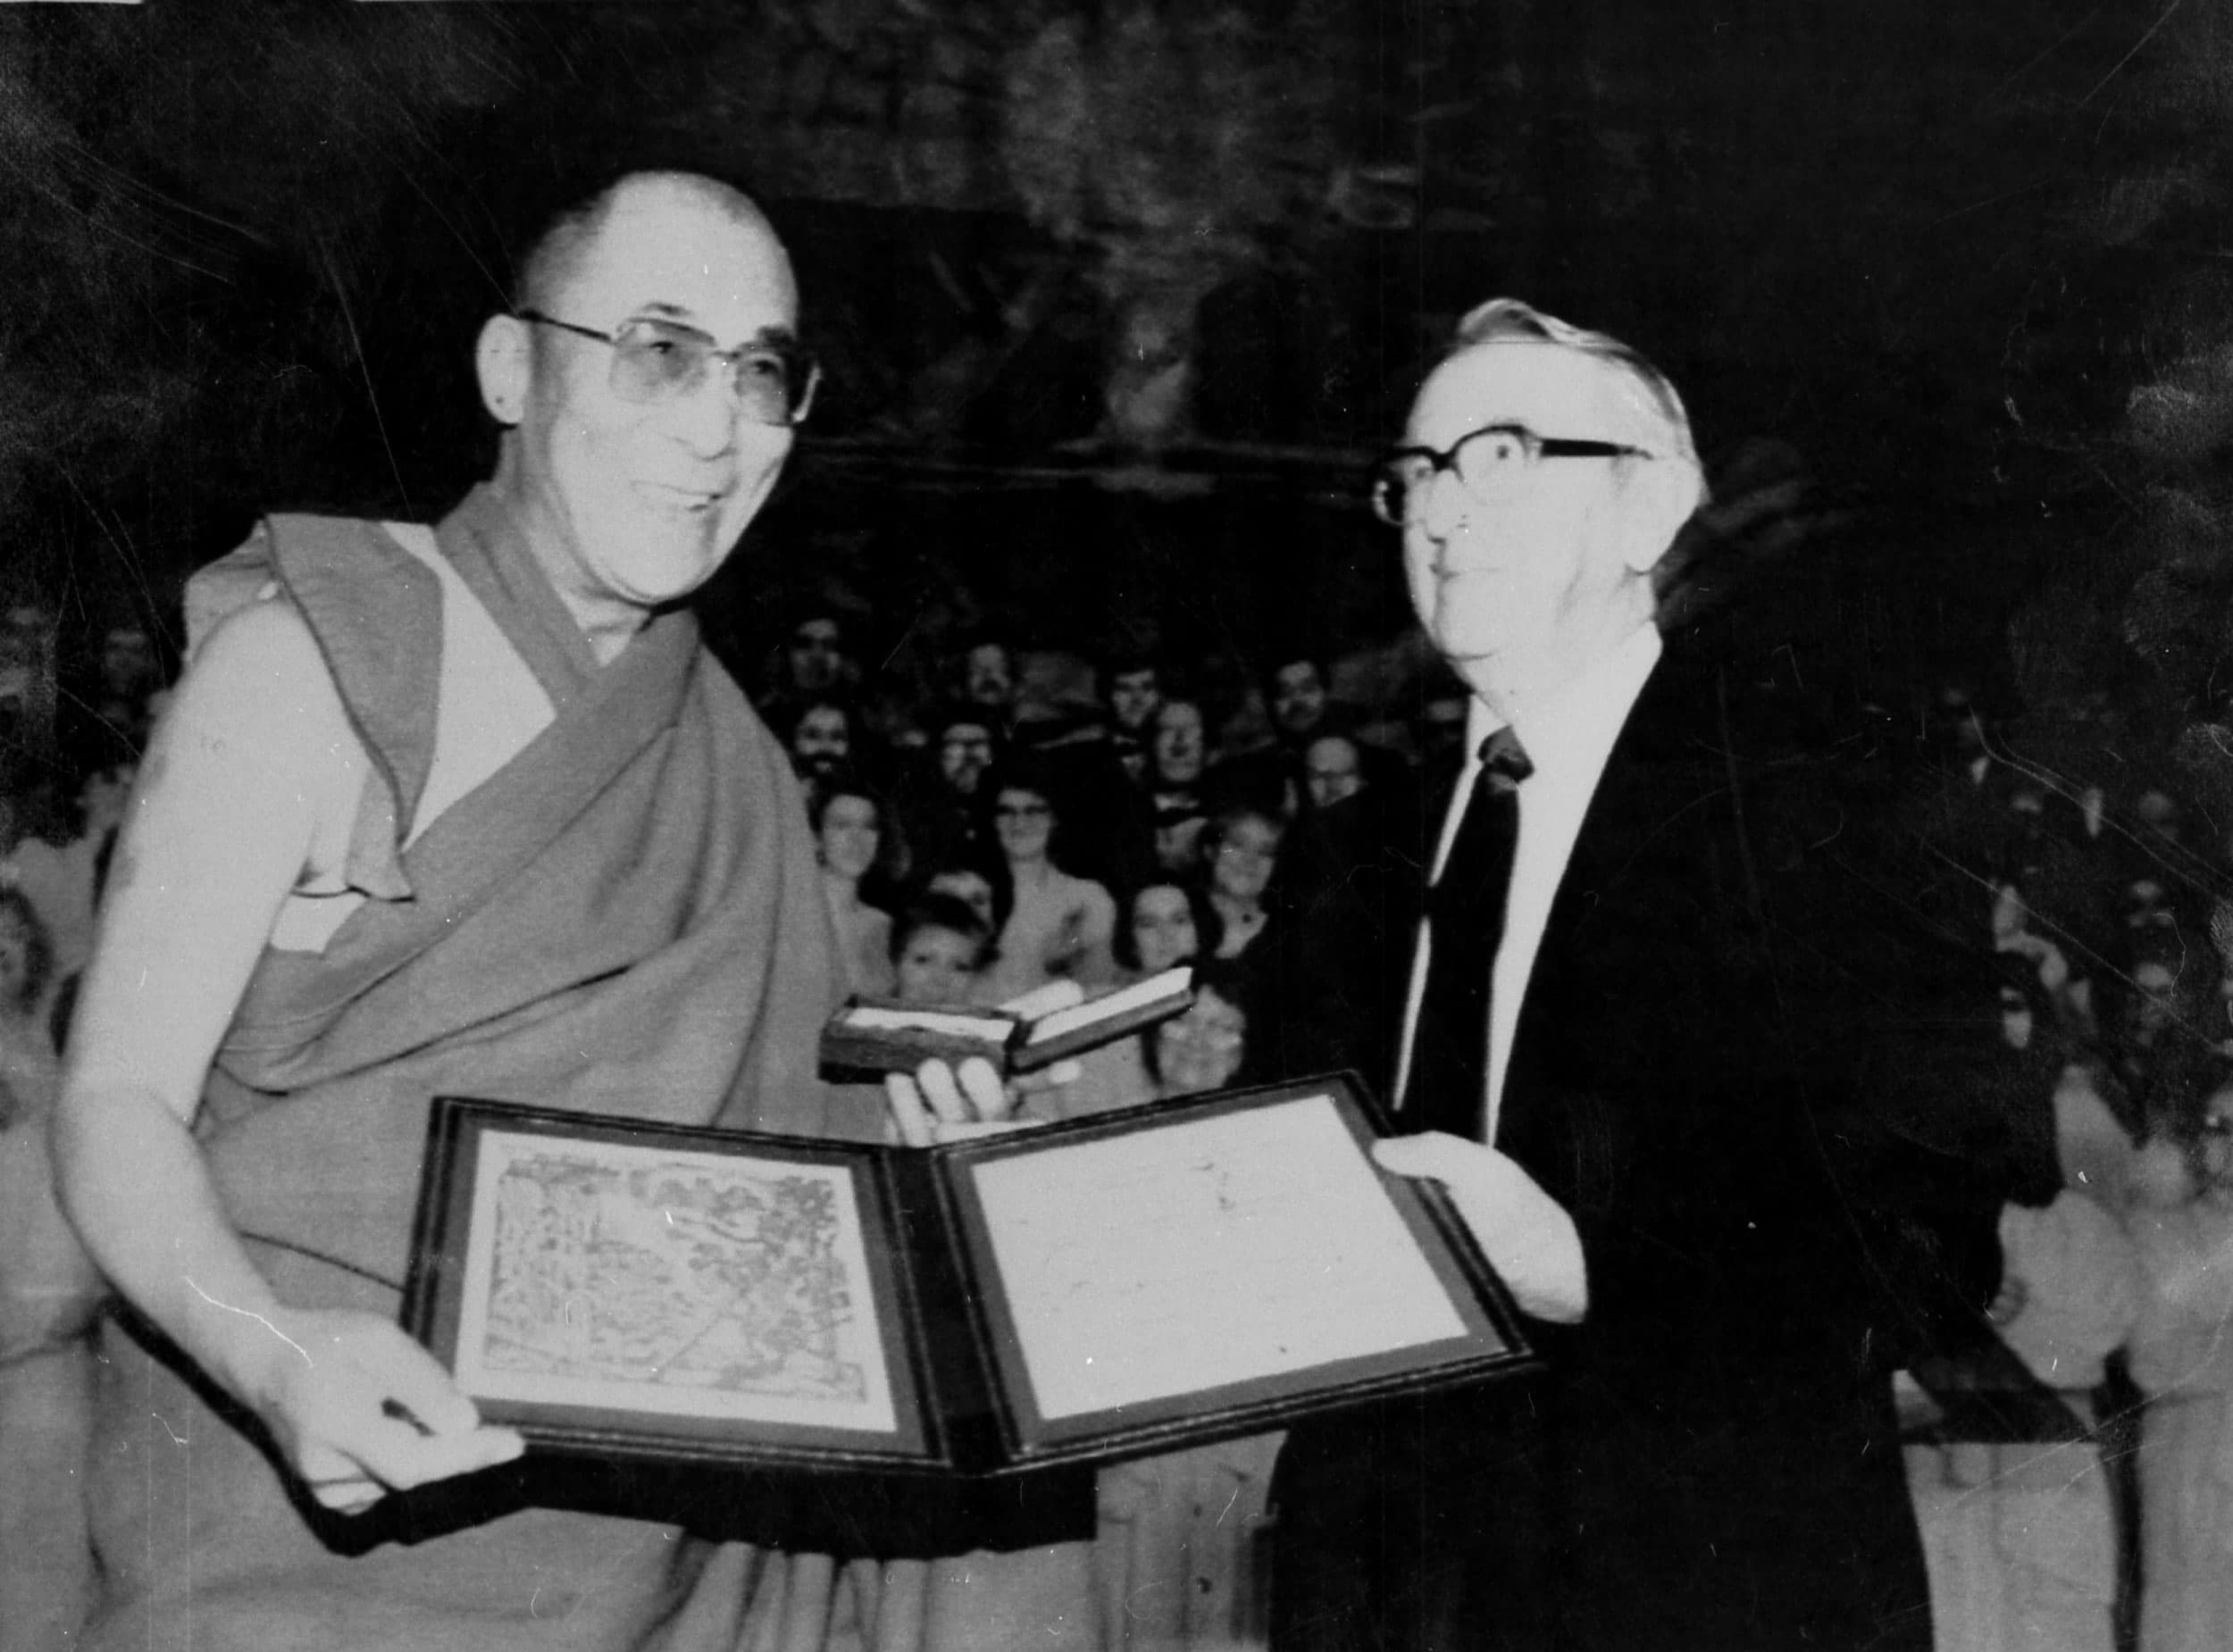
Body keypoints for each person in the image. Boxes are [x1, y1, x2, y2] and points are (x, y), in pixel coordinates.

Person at [30, 168, 1085, 1652]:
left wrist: (926, 1132)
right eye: (660, 351)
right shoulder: (323, 659)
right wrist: (273, 1364)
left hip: (658, 1560)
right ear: (511, 368)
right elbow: (115, 1097)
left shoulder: (734, 757)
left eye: (763, 371)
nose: (719, 427)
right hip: (311, 1527)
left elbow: (768, 1162)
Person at [1270, 298, 2006, 1651]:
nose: (1439, 512)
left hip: (1703, 1581)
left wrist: (1595, 1269)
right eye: (1416, 475)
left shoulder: (1824, 826)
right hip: (1382, 1586)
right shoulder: (1348, 856)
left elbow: (1932, 1243)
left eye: (1498, 456)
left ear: (1648, 510)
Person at [975, 761, 1118, 1005]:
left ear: (1054, 818)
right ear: (992, 820)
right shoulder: (966, 892)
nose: (1019, 823)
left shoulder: (1088, 899)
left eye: (1034, 811)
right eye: (1006, 811)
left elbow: (1098, 986)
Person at [813, 773, 899, 997]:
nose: (857, 839)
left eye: (869, 826)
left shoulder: (881, 923)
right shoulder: (793, 915)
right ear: (817, 837)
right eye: (842, 826)